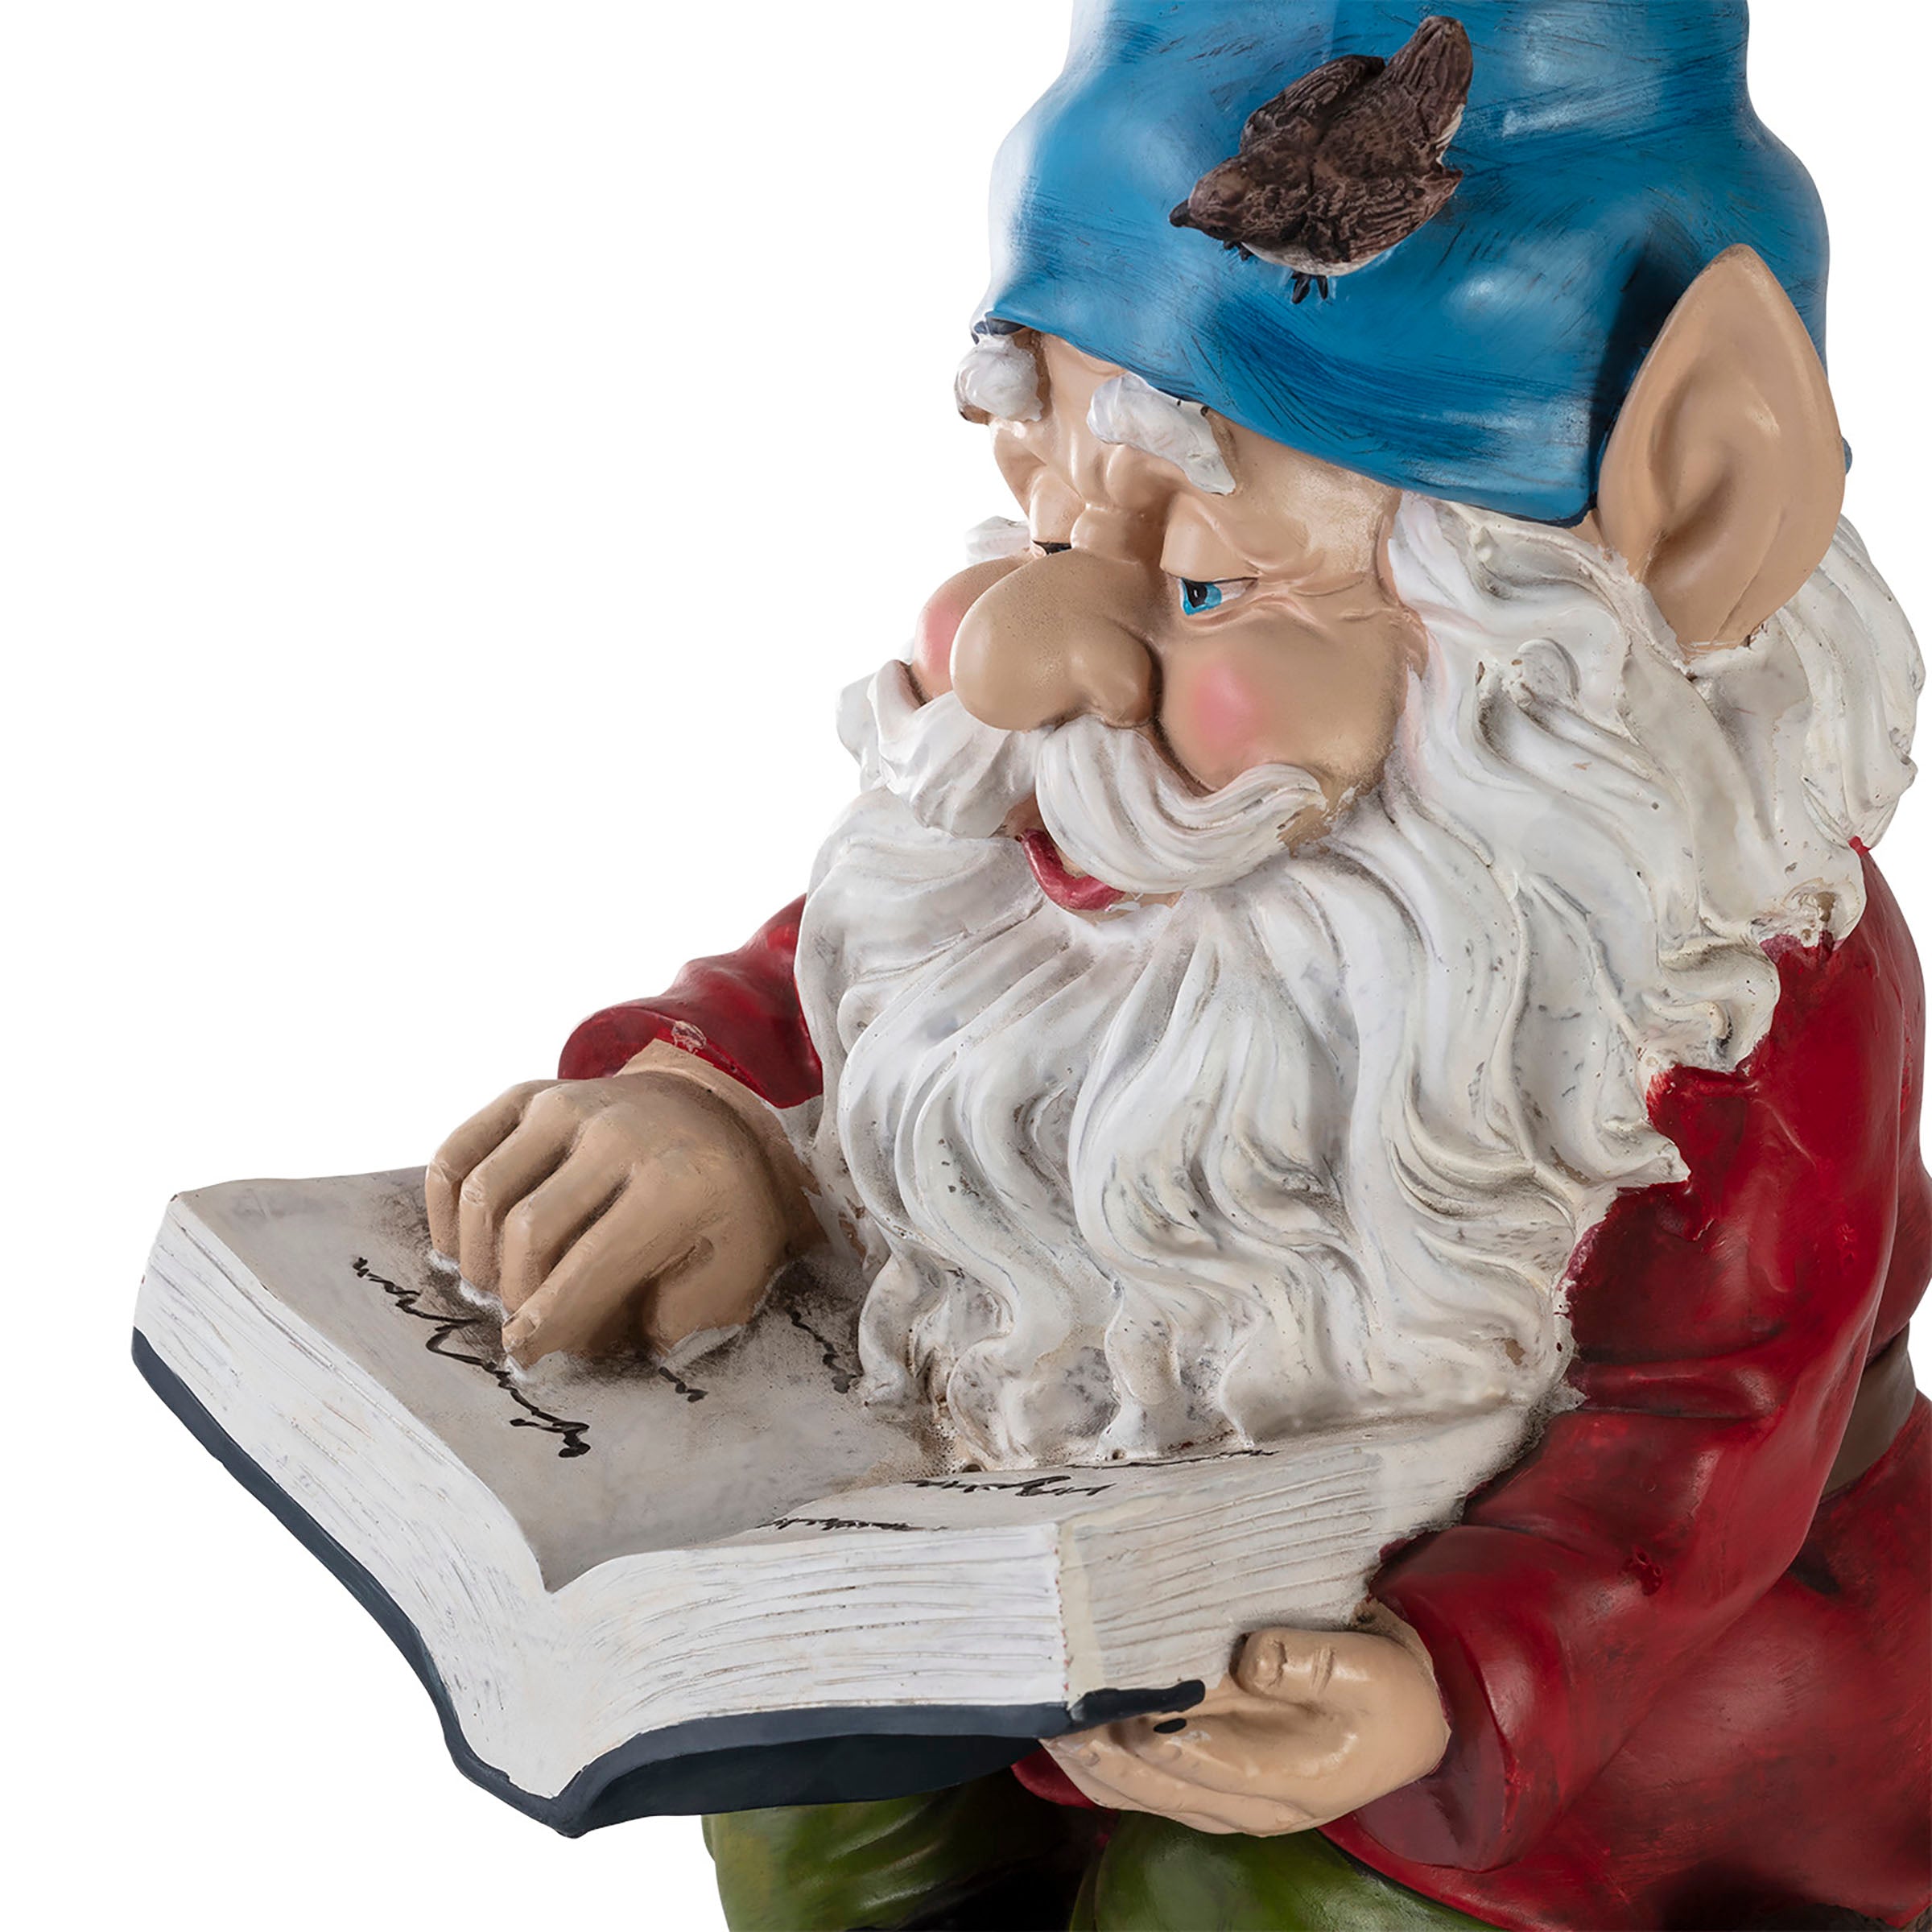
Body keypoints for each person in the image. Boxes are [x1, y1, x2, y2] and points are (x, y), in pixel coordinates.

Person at [425, 6, 1931, 1926]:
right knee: (806, 1819)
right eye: (1042, 517)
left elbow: (1712, 1427)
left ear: (1648, 564)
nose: (1010, 660)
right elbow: (890, 978)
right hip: (1033, 1576)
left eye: (1209, 581)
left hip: (1580, 1709)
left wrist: (1446, 1689)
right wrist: (702, 1103)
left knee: (1238, 1907)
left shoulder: (1721, 986)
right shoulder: (1125, 816)